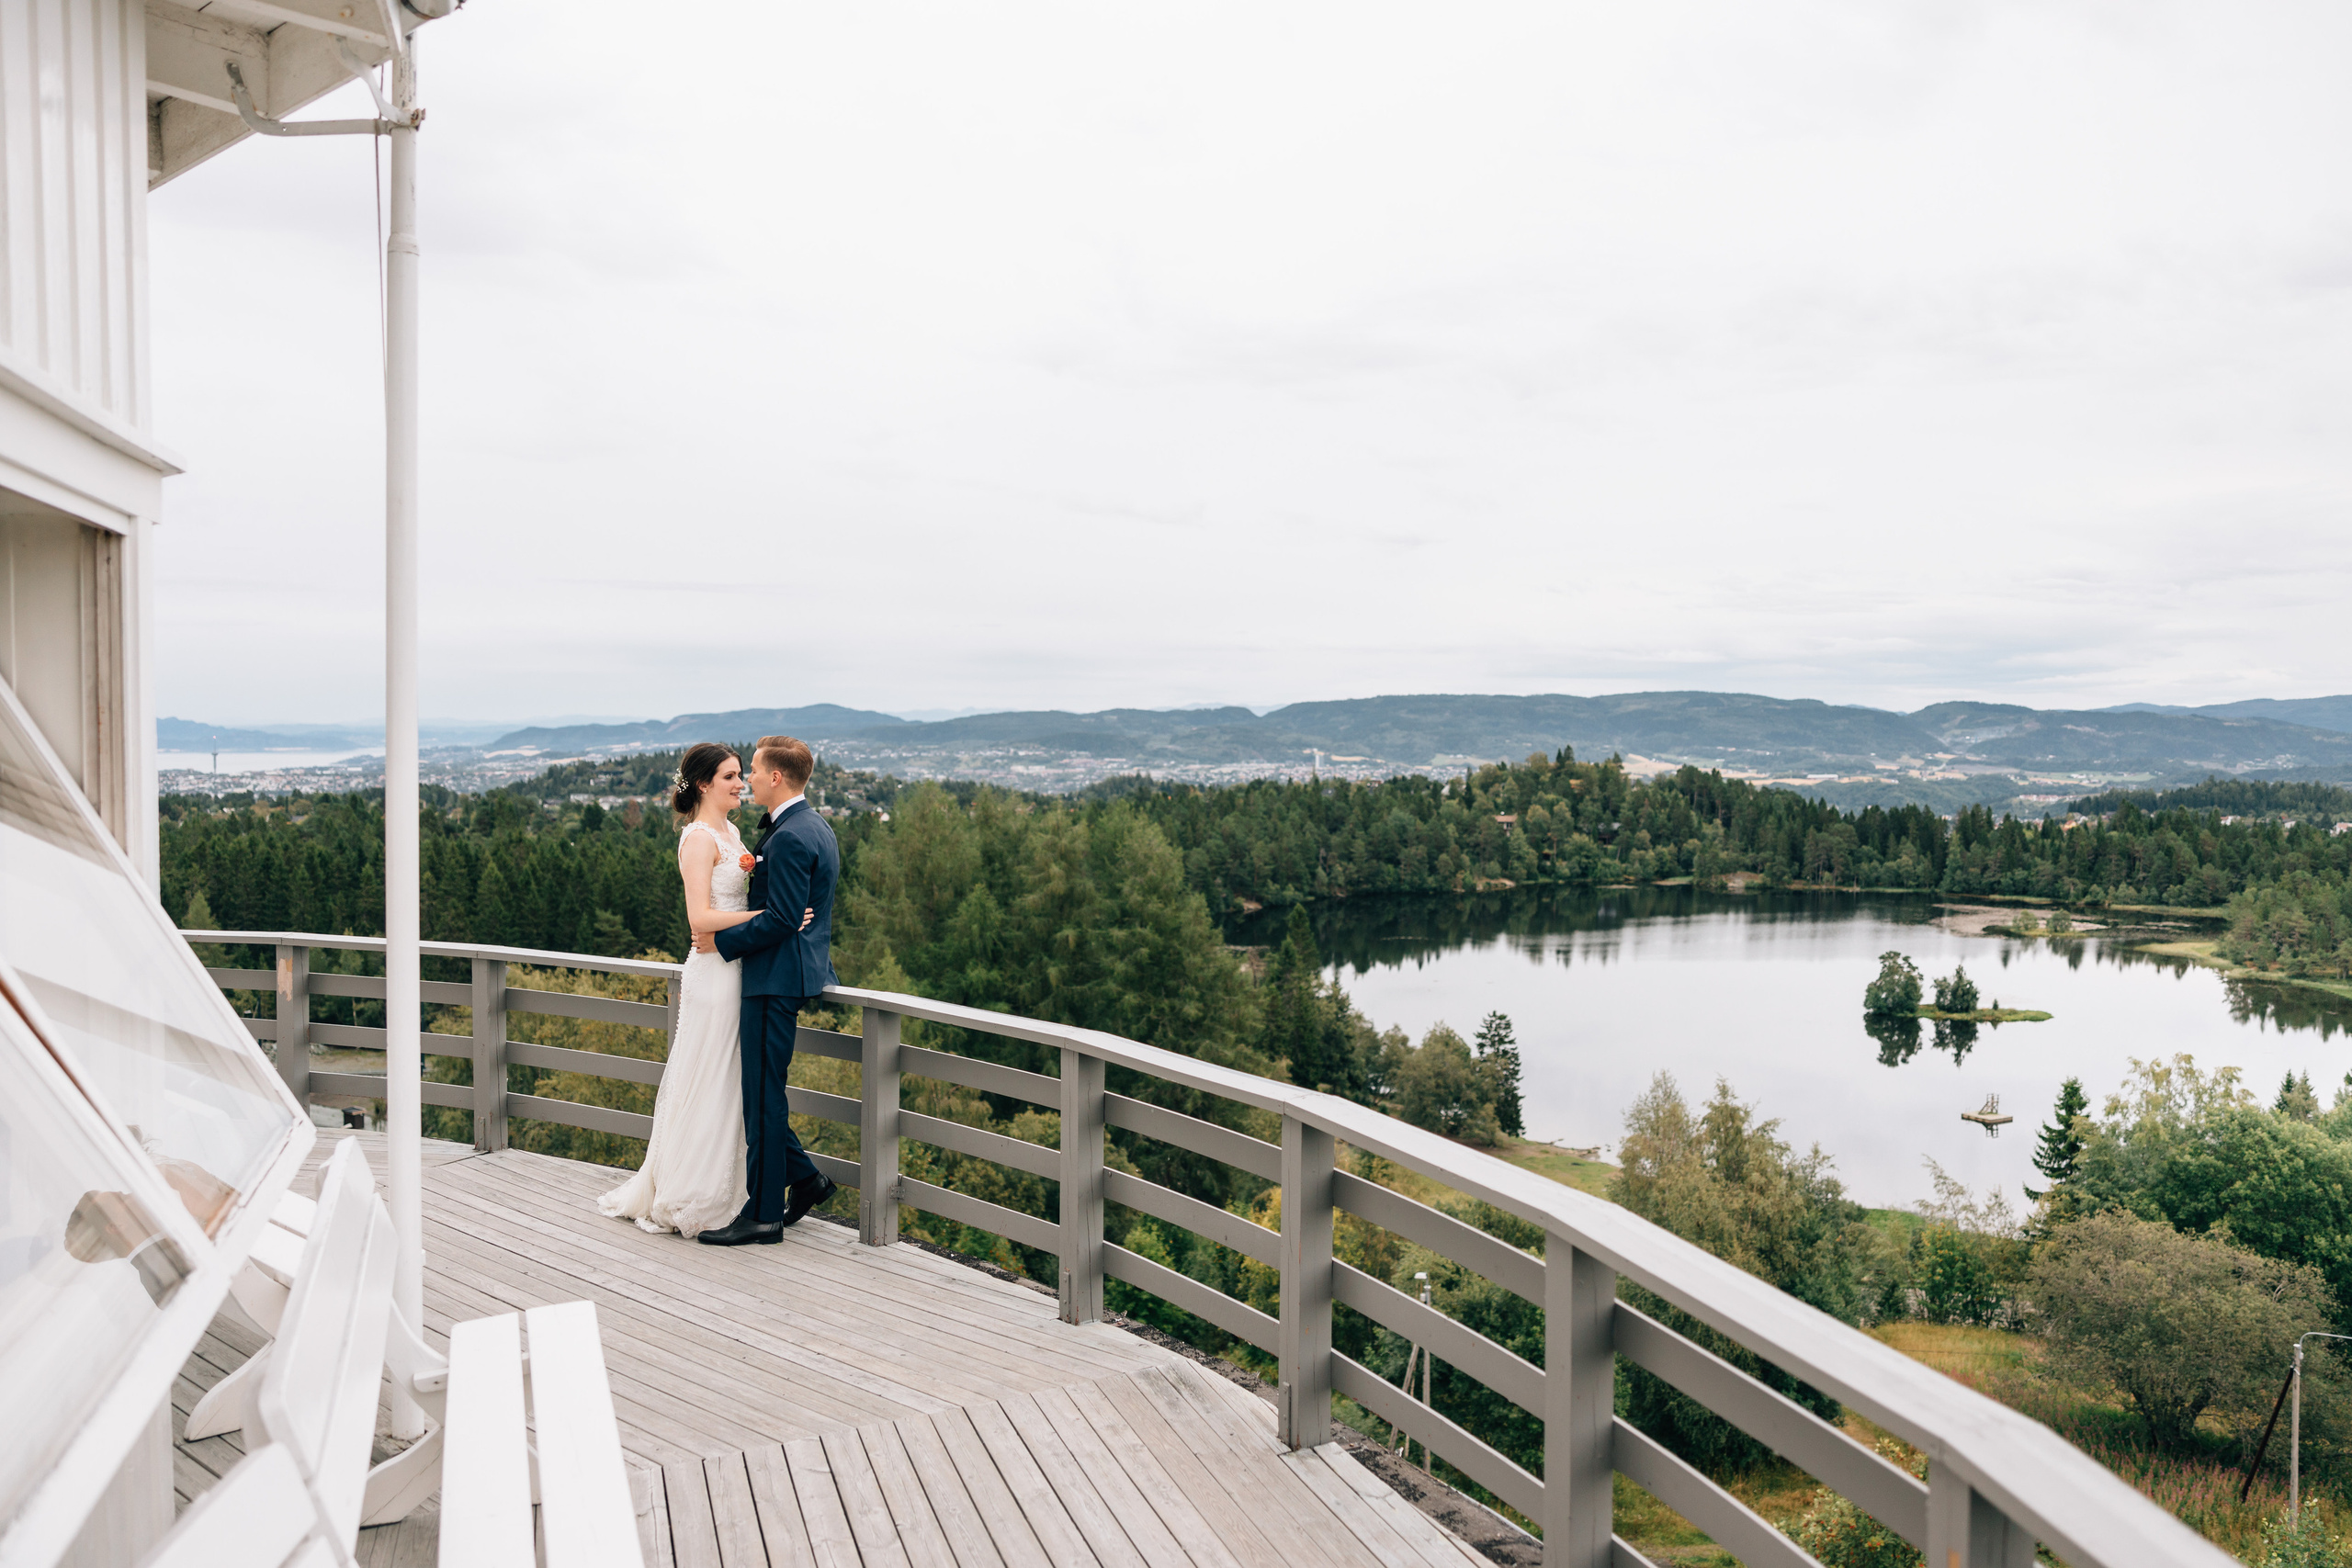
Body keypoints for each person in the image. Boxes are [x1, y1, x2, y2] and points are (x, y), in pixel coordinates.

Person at [595, 744, 809, 1237]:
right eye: (732, 776)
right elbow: (699, 920)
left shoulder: (732, 832)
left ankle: (738, 1185)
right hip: (713, 974)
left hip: (738, 968)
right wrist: (772, 917)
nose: (741, 784)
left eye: (742, 774)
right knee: (712, 1073)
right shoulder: (697, 840)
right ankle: (696, 1189)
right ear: (705, 783)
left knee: (735, 1079)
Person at [695, 734, 841, 1246]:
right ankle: (804, 1179)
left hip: (774, 978)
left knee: (761, 1097)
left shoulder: (793, 836)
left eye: (753, 770)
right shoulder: (811, 826)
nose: (749, 778)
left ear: (776, 777)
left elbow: (782, 918)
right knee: (761, 1091)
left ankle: (763, 1216)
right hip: (783, 973)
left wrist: (720, 941)